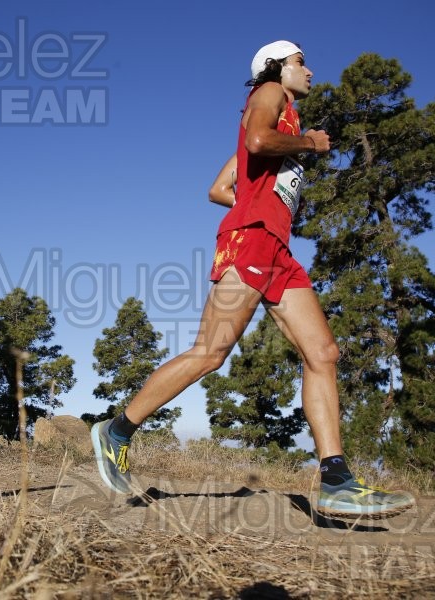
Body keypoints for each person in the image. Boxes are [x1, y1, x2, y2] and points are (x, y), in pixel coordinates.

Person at [91, 41, 414, 519]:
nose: (309, 69)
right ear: (276, 67)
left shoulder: (282, 117)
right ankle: (115, 431)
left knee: (323, 353)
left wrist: (272, 204)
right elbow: (259, 142)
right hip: (253, 241)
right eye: (301, 61)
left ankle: (337, 481)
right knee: (210, 353)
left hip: (278, 248)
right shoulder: (269, 95)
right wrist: (309, 146)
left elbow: (219, 188)